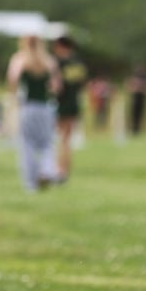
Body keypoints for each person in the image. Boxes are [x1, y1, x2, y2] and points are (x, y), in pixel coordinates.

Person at [6, 36, 61, 192]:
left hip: (28, 107)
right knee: (47, 143)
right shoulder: (48, 61)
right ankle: (46, 170)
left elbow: (12, 79)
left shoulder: (20, 60)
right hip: (45, 106)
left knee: (27, 144)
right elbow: (56, 86)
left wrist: (14, 97)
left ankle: (30, 182)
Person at [52, 35, 87, 182]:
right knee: (67, 138)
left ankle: (59, 168)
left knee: (59, 138)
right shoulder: (78, 63)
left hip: (61, 103)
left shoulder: (59, 63)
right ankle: (65, 168)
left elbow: (56, 86)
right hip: (74, 102)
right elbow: (82, 83)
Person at [126, 63, 146, 136]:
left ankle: (139, 130)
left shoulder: (145, 79)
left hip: (142, 99)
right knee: (133, 115)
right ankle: (132, 129)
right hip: (135, 99)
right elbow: (130, 87)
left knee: (141, 115)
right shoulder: (134, 78)